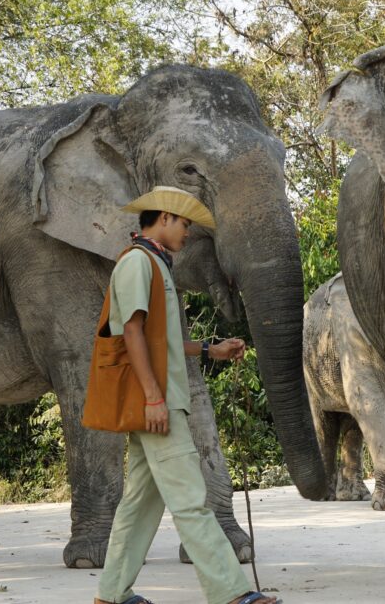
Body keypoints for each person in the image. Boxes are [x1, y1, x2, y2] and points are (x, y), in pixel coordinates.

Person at [94, 186, 280, 604]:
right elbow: (132, 333)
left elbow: (164, 341)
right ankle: (232, 594)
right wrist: (153, 398)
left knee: (139, 505)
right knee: (193, 502)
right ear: (163, 219)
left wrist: (211, 350)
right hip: (158, 403)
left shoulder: (157, 264)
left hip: (162, 397)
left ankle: (112, 595)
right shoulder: (138, 264)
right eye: (183, 223)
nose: (187, 232)